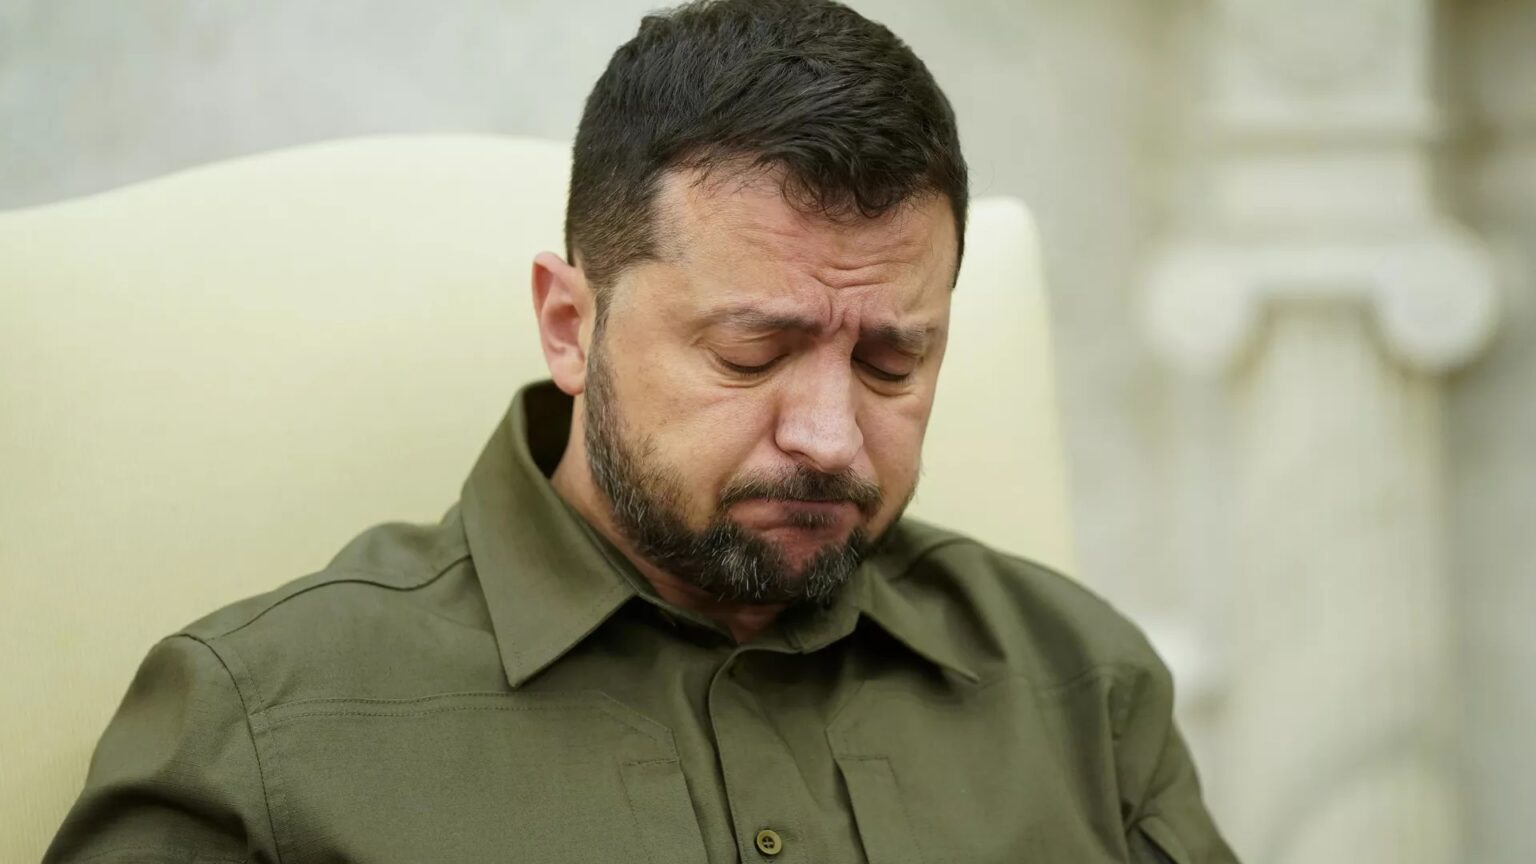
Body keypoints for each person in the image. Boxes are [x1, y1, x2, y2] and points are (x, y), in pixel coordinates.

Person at [46, 1, 1237, 861]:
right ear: (571, 327)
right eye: (751, 353)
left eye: (892, 362)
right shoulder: (263, 728)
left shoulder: (1084, 687)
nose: (830, 437)